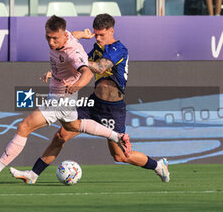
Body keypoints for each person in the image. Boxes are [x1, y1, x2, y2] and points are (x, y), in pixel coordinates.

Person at [9, 13, 170, 184]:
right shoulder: (96, 50)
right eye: (96, 34)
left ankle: (158, 166)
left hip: (113, 109)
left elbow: (99, 67)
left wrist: (75, 60)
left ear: (111, 31)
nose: (98, 38)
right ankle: (33, 175)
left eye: (102, 34)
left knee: (121, 156)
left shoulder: (118, 49)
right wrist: (58, 71)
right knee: (61, 135)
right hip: (93, 105)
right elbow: (75, 60)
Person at [0, 15, 132, 181]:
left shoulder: (74, 52)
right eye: (48, 37)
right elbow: (74, 34)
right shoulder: (66, 37)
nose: (51, 42)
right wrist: (83, 35)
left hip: (61, 99)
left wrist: (78, 85)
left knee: (24, 126)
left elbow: (87, 71)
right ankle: (117, 136)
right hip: (60, 96)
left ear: (63, 36)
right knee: (74, 125)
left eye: (54, 38)